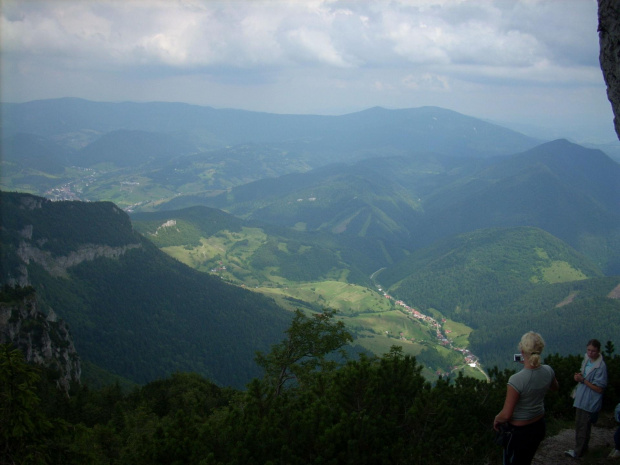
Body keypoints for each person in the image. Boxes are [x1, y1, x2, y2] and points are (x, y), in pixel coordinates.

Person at [494, 331, 559, 465]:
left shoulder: (516, 380)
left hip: (519, 432)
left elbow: (506, 415)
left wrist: (497, 419)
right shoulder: (548, 370)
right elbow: (554, 387)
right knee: (526, 459)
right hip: (539, 425)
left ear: (522, 350)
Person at [565, 339, 608, 459]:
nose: (590, 353)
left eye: (593, 351)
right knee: (581, 426)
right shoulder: (587, 360)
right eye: (588, 350)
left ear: (598, 351)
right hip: (582, 398)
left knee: (582, 427)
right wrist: (579, 377)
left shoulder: (601, 367)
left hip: (589, 401)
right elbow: (585, 376)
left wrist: (583, 380)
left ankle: (578, 453)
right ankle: (582, 450)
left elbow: (599, 388)